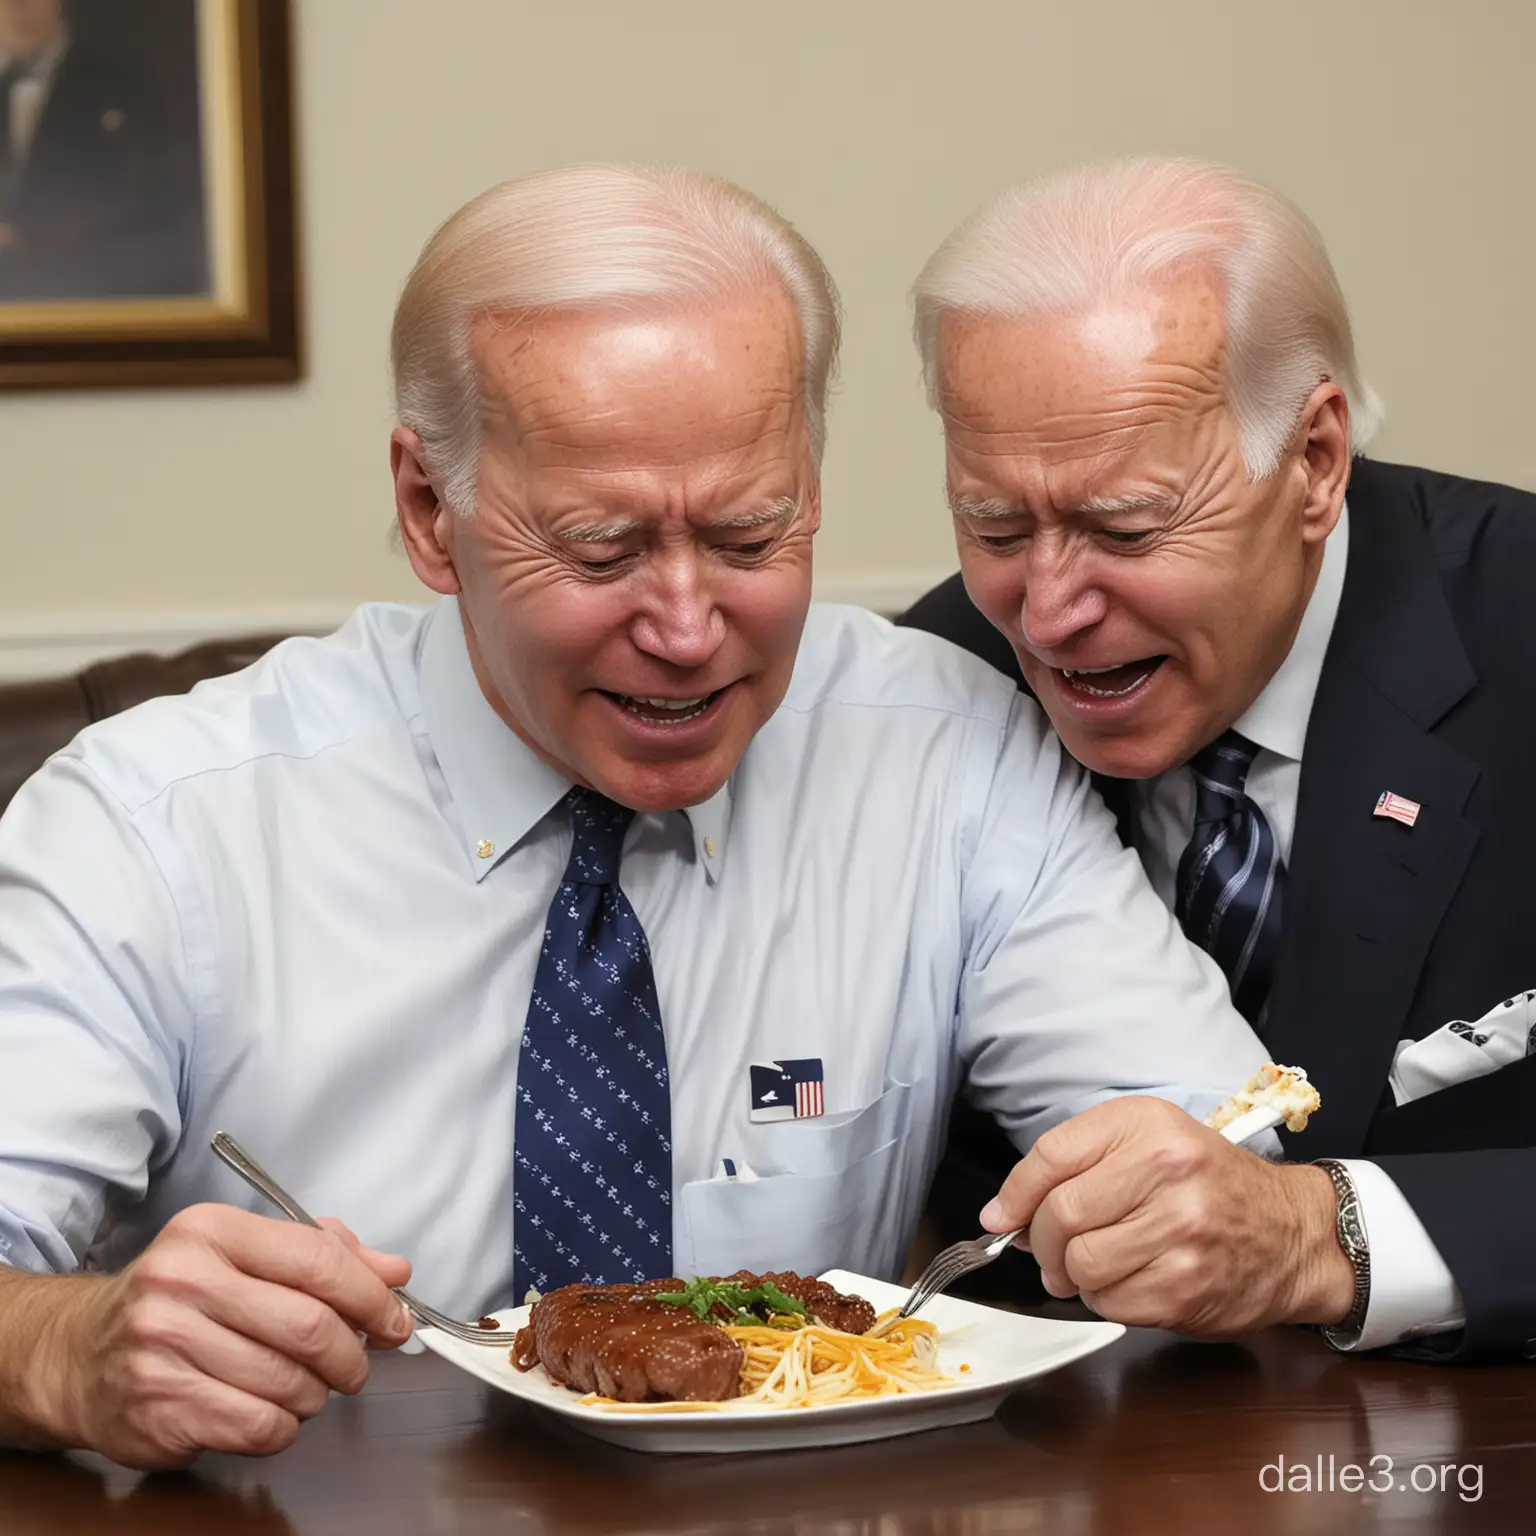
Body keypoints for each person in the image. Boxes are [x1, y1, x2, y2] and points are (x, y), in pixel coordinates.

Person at [0, 163, 1283, 1468]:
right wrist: (68, 1349)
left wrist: (1194, 1204)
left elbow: (1227, 1164)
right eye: (600, 548)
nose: (686, 632)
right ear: (427, 512)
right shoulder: (151, 826)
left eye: (750, 535)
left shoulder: (946, 756)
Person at [900, 156, 1536, 1360]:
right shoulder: (943, 688)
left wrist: (1321, 1237)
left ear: (1314, 462)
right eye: (992, 525)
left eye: (1125, 527)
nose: (1045, 614)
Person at [0, 0, 205, 301]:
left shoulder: (125, 81)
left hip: (101, 296)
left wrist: (28, 237)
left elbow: (153, 196)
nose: (18, 6)